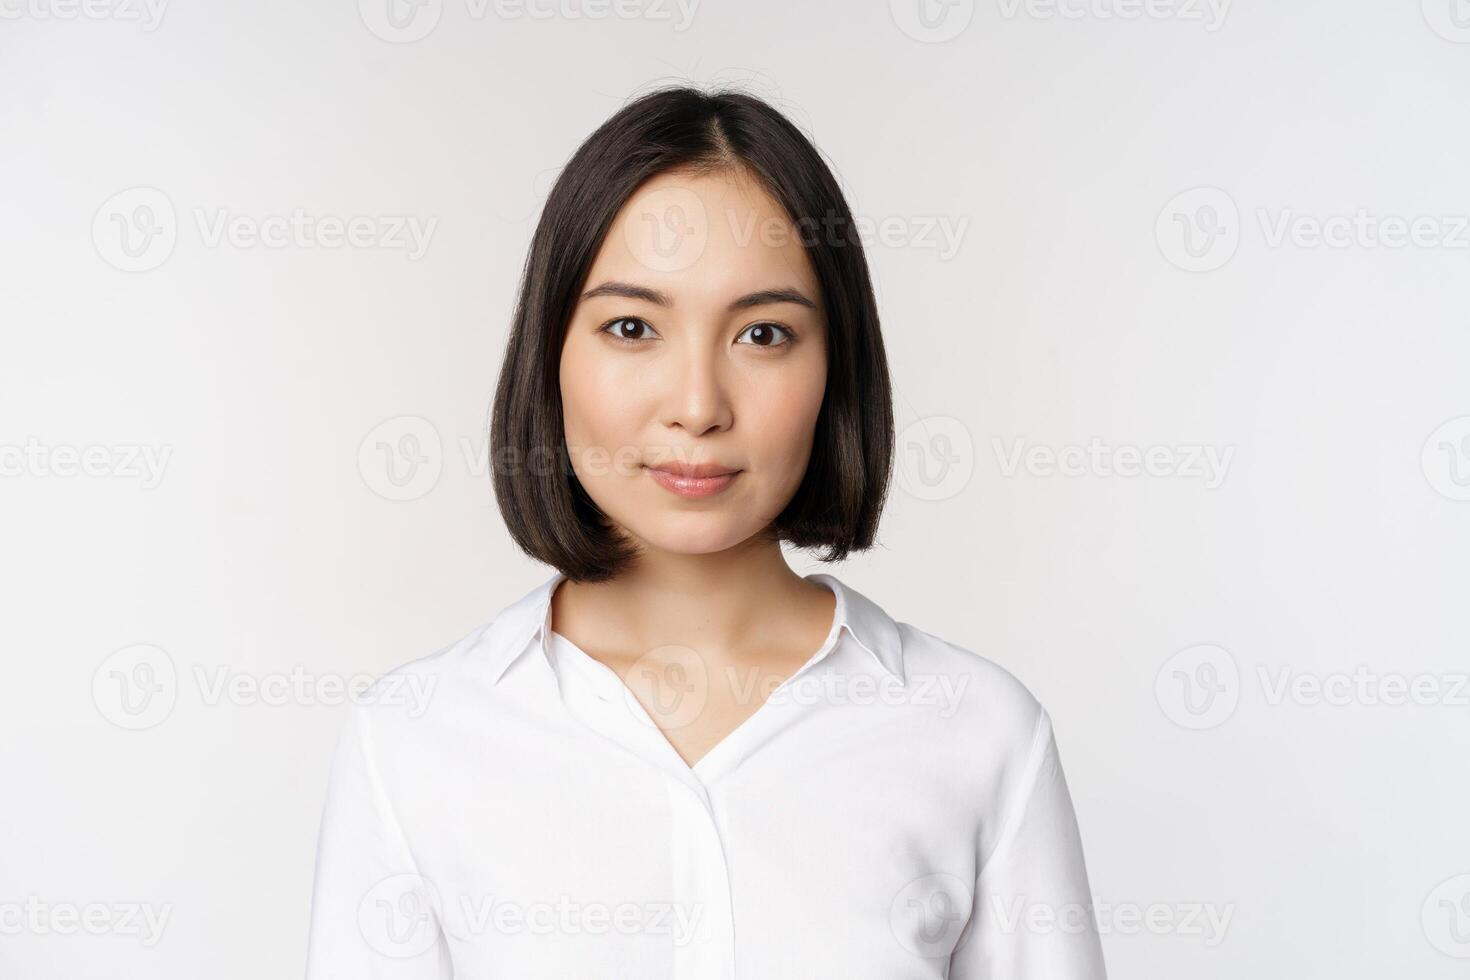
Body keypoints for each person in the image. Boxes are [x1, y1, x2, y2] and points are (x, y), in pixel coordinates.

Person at [305, 84, 1107, 979]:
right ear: (551, 352)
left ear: (834, 366)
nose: (697, 406)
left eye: (762, 333)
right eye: (632, 327)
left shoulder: (981, 734)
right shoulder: (414, 741)